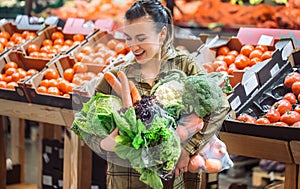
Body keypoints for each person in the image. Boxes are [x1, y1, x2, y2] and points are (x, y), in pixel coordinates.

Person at [85, 0, 230, 188]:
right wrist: (105, 144)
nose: (134, 46)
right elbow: (88, 127)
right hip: (128, 180)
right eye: (129, 38)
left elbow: (219, 108)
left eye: (141, 37)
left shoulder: (185, 67)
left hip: (176, 180)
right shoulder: (116, 76)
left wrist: (187, 150)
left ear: (162, 34)